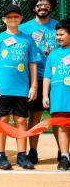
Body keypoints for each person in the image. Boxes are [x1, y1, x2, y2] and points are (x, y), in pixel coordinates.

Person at [0, 4, 40, 170]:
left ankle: (22, 155)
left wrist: (34, 85)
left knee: (22, 120)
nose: (13, 19)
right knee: (2, 120)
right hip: (3, 89)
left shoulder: (28, 39)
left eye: (16, 17)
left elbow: (32, 64)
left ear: (21, 19)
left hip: (22, 88)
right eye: (9, 17)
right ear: (4, 20)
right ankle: (0, 155)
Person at [19, 0, 59, 164]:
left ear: (51, 6)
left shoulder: (58, 26)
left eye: (46, 4)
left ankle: (63, 151)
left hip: (57, 78)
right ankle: (33, 151)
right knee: (35, 117)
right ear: (34, 7)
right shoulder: (24, 28)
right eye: (39, 4)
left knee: (59, 117)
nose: (43, 7)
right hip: (36, 77)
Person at [43, 18, 70, 171]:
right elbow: (47, 76)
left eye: (62, 34)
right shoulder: (53, 55)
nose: (58, 37)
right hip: (59, 99)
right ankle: (65, 156)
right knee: (62, 127)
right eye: (57, 34)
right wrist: (45, 95)